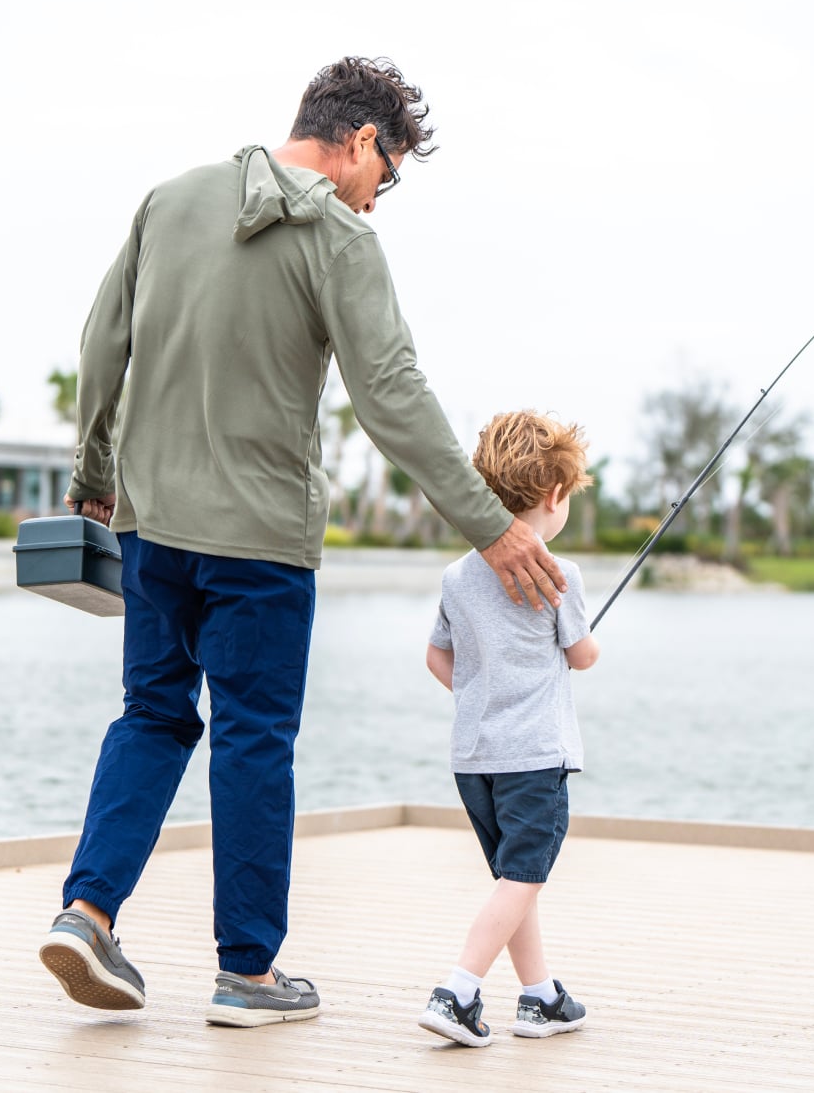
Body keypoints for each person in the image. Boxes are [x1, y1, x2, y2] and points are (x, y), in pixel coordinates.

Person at [37, 57, 568, 1027]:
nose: (378, 202)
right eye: (388, 177)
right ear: (361, 142)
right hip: (261, 545)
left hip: (152, 527)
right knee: (251, 737)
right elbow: (391, 396)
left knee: (150, 717)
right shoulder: (336, 237)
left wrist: (94, 479)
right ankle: (246, 974)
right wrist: (490, 529)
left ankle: (86, 912)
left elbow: (98, 345)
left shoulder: (170, 200)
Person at [417, 410, 600, 1047]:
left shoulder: (458, 575)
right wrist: (591, 644)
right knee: (524, 875)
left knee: (512, 877)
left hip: (474, 760)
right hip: (533, 756)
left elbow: (440, 657)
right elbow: (579, 654)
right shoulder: (561, 574)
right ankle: (458, 990)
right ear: (555, 495)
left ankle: (539, 996)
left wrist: (475, 695)